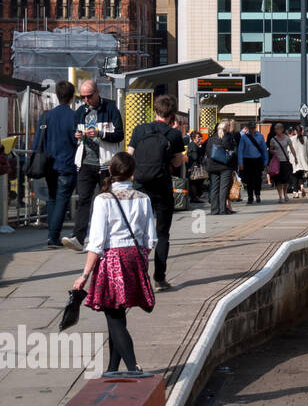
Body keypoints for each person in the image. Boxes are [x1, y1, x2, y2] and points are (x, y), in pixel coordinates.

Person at [71, 152, 156, 373]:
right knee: (118, 313)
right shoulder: (143, 198)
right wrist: (142, 258)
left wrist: (84, 275)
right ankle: (112, 367)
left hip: (112, 259)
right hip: (136, 256)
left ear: (110, 171)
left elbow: (97, 242)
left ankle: (132, 367)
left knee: (113, 315)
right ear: (132, 174)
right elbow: (150, 238)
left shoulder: (103, 200)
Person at [127, 94, 185, 290]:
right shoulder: (174, 135)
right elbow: (177, 162)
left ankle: (136, 276)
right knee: (162, 234)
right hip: (162, 185)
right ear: (172, 114)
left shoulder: (139, 129)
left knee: (138, 231)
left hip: (141, 185)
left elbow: (129, 155)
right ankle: (159, 278)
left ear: (155, 111)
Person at [64, 80, 125, 251]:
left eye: (89, 96)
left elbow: (119, 134)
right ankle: (78, 237)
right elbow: (74, 132)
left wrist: (100, 133)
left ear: (97, 92)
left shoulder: (111, 109)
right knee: (83, 199)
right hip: (85, 162)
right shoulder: (80, 112)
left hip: (106, 164)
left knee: (108, 201)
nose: (86, 100)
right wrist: (76, 135)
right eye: (83, 97)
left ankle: (111, 237)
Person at [38, 81, 78, 249]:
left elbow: (38, 141)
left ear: (56, 94)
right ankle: (53, 237)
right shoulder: (74, 116)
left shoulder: (46, 115)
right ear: (72, 96)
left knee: (52, 198)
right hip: (67, 163)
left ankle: (52, 236)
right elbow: (76, 141)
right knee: (62, 200)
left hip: (48, 164)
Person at [206, 119, 239, 215]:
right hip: (225, 166)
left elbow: (208, 152)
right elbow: (233, 151)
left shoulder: (211, 138)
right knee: (223, 188)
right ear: (226, 129)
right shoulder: (228, 138)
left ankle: (214, 209)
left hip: (212, 166)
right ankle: (222, 209)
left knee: (214, 188)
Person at [237, 123, 269, 205]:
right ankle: (250, 196)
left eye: (253, 128)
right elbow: (240, 150)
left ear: (255, 128)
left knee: (258, 178)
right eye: (250, 128)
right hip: (247, 160)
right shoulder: (244, 137)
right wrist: (240, 163)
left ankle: (257, 194)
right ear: (248, 128)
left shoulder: (260, 136)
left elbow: (264, 149)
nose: (251, 130)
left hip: (257, 160)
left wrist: (265, 161)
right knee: (248, 180)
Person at [266, 123, 294, 202]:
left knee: (286, 180)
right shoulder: (273, 139)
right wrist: (273, 151)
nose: (276, 130)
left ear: (282, 130)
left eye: (278, 129)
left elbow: (292, 148)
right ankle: (280, 196)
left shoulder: (287, 138)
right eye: (275, 129)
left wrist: (295, 157)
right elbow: (270, 149)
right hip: (277, 162)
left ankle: (285, 194)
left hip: (285, 161)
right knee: (278, 180)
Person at [287, 125, 308, 197]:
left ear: (295, 131)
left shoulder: (291, 139)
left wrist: (289, 159)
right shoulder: (305, 139)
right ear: (301, 131)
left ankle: (296, 193)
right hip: (303, 161)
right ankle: (302, 187)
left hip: (294, 160)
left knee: (294, 176)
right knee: (300, 175)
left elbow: (288, 150)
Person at [186, 129, 207, 204]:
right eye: (198, 137)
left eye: (200, 137)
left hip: (192, 166)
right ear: (194, 138)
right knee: (194, 182)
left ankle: (195, 196)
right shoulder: (194, 146)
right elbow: (195, 157)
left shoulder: (192, 145)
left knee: (195, 181)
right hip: (193, 167)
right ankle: (194, 197)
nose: (200, 139)